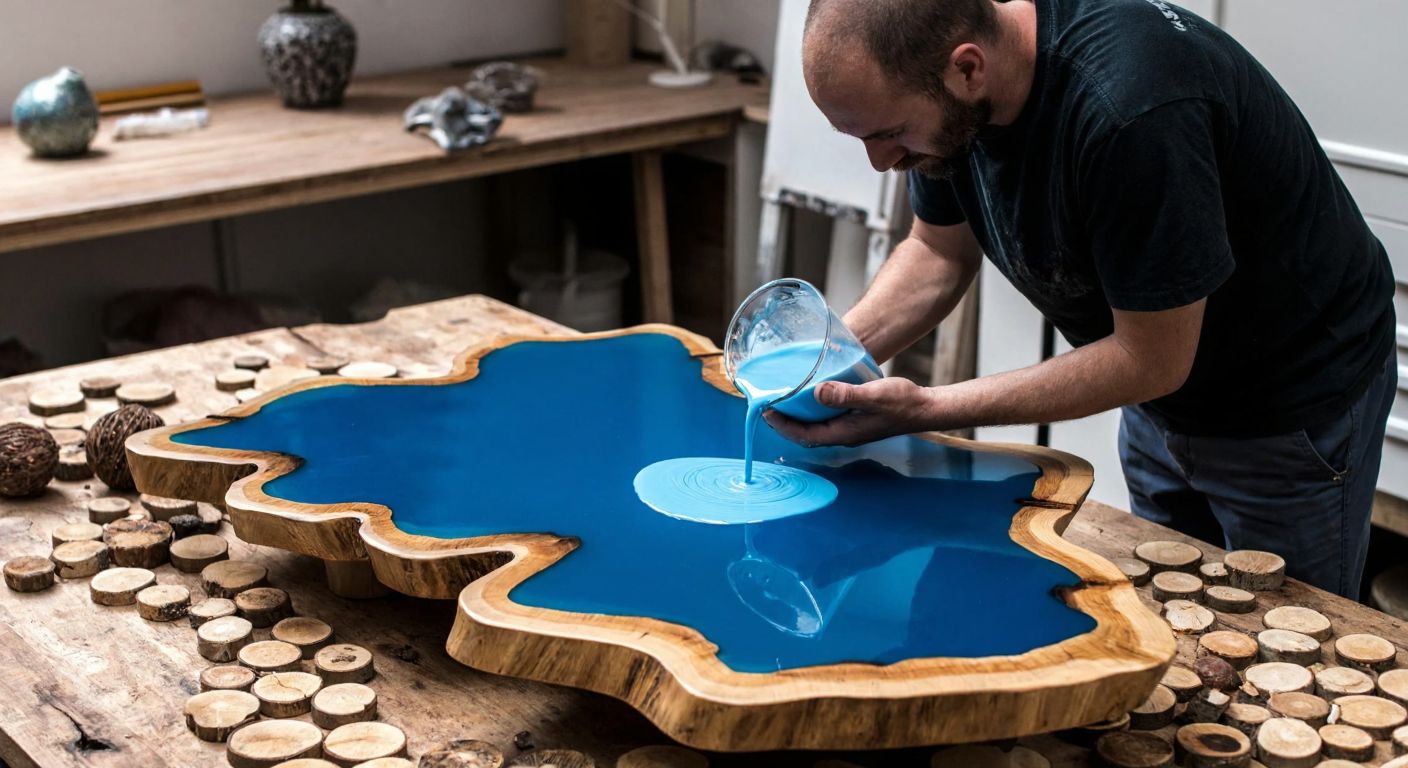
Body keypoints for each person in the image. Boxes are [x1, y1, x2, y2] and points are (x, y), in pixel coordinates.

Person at [770, 0, 1396, 599]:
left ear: (967, 67)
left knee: (1286, 650)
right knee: (1172, 613)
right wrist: (830, 362)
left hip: (1292, 404)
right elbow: (937, 251)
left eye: (891, 133)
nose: (882, 163)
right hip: (1162, 397)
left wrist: (925, 408)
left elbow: (1151, 359)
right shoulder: (957, 100)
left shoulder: (1130, 112)